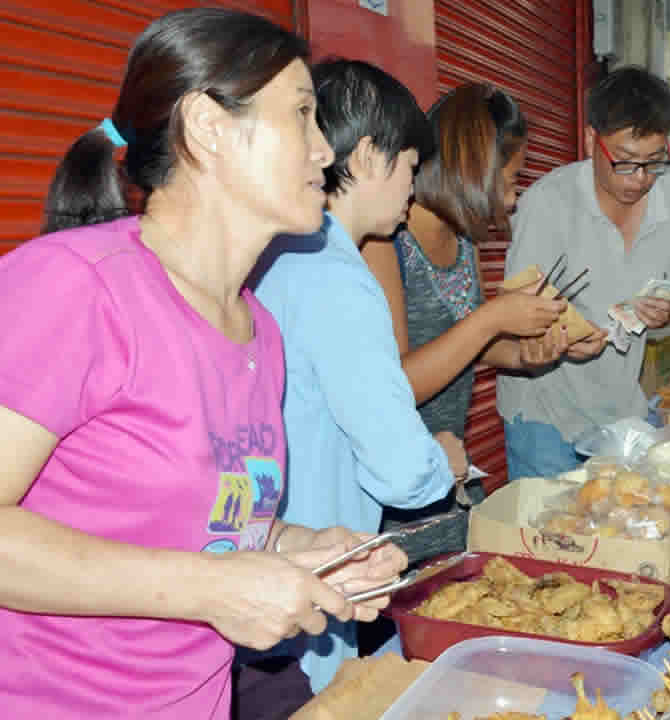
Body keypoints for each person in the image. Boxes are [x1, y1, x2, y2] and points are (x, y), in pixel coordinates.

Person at [0, 9, 407, 718]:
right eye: (303, 116)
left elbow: (207, 526)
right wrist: (213, 591)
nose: (324, 152)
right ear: (209, 128)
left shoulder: (261, 332)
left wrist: (304, 550)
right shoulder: (74, 287)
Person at [251, 59, 468, 693]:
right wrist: (443, 461)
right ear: (370, 156)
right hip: (318, 567)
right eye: (409, 165)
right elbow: (401, 472)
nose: (413, 187)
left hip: (271, 548)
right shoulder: (339, 277)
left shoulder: (279, 255)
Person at [362, 84, 568, 554]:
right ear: (472, 171)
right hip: (396, 495)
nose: (512, 200)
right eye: (510, 180)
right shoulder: (383, 242)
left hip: (450, 480)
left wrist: (523, 354)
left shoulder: (462, 240)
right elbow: (399, 383)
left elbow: (466, 339)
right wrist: (494, 317)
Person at [498, 67, 670, 481]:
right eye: (624, 163)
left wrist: (664, 310)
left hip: (623, 410)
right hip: (545, 416)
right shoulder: (547, 203)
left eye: (653, 162)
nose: (640, 180)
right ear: (591, 141)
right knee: (550, 539)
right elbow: (512, 313)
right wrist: (563, 337)